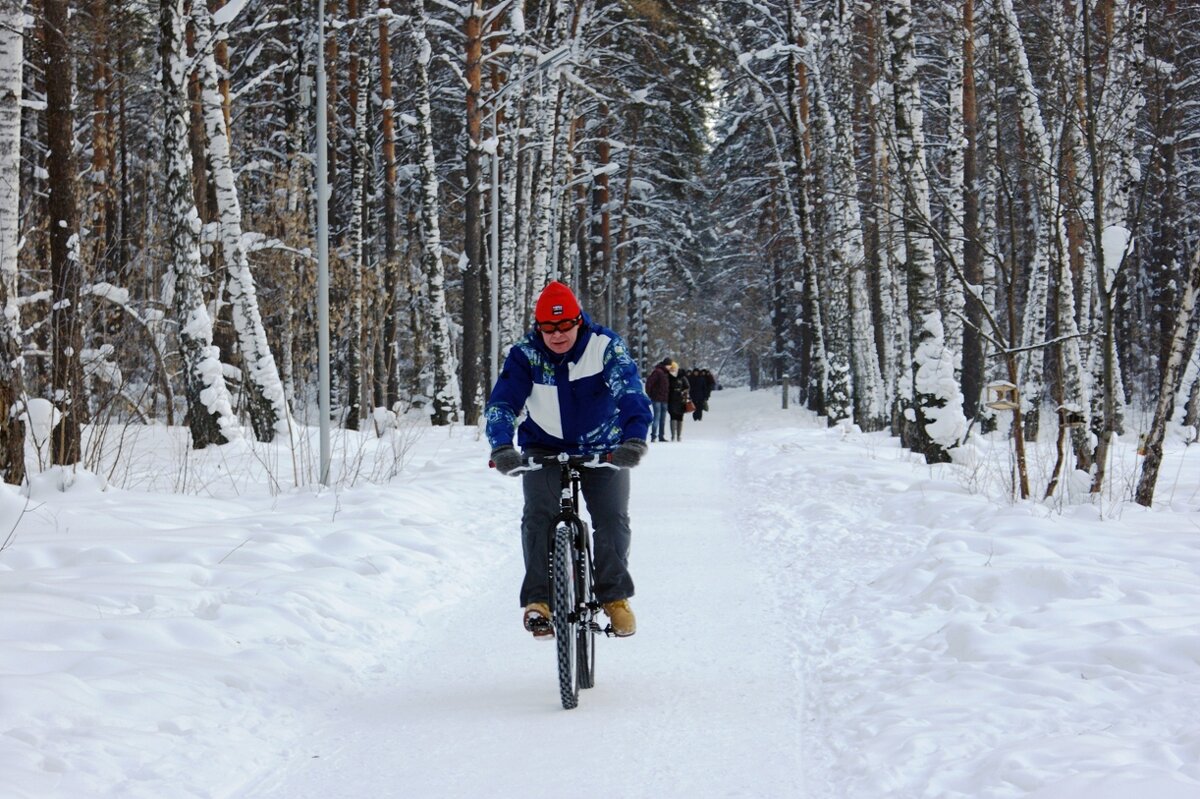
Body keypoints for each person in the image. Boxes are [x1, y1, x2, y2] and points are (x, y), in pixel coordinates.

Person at [486, 281, 651, 639]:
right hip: (543, 448)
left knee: (611, 518)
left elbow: (630, 391)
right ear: (538, 327)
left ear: (579, 320)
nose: (557, 335)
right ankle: (539, 602)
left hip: (603, 447)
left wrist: (634, 439)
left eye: (565, 326)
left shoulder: (605, 347)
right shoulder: (525, 355)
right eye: (548, 328)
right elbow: (502, 404)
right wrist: (502, 447)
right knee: (537, 516)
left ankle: (614, 598)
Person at [645, 357, 671, 442]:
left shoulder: (666, 373)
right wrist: (650, 394)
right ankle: (653, 436)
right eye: (669, 365)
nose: (670, 367)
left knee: (662, 419)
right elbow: (649, 383)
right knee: (657, 417)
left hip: (664, 399)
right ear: (666, 365)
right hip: (657, 399)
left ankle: (661, 436)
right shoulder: (658, 372)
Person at [666, 360, 690, 441]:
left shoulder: (682, 377)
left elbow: (687, 386)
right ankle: (673, 436)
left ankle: (679, 436)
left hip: (681, 399)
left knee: (680, 417)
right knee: (672, 416)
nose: (673, 370)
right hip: (671, 399)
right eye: (672, 369)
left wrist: (683, 391)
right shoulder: (668, 377)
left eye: (674, 369)